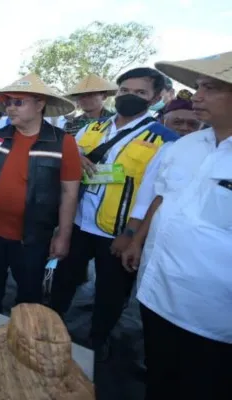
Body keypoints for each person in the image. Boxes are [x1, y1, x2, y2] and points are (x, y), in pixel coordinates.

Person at [120, 51, 232, 399]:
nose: (196, 96)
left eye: (210, 88)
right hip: (157, 291)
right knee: (159, 380)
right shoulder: (184, 146)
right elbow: (162, 196)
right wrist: (138, 238)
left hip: (212, 312)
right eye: (198, 86)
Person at [50, 67, 179, 360]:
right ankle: (48, 329)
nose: (129, 97)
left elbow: (153, 195)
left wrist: (132, 235)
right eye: (124, 90)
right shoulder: (93, 128)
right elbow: (68, 165)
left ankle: (96, 344)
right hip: (80, 223)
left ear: (157, 97)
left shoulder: (164, 140)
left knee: (110, 295)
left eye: (140, 92)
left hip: (117, 231)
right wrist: (76, 157)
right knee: (64, 281)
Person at [0, 74, 81, 313]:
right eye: (7, 102)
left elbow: (69, 192)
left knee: (29, 292)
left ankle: (23, 336)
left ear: (40, 104)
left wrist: (63, 234)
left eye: (18, 102)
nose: (10, 108)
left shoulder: (62, 142)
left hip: (32, 237)